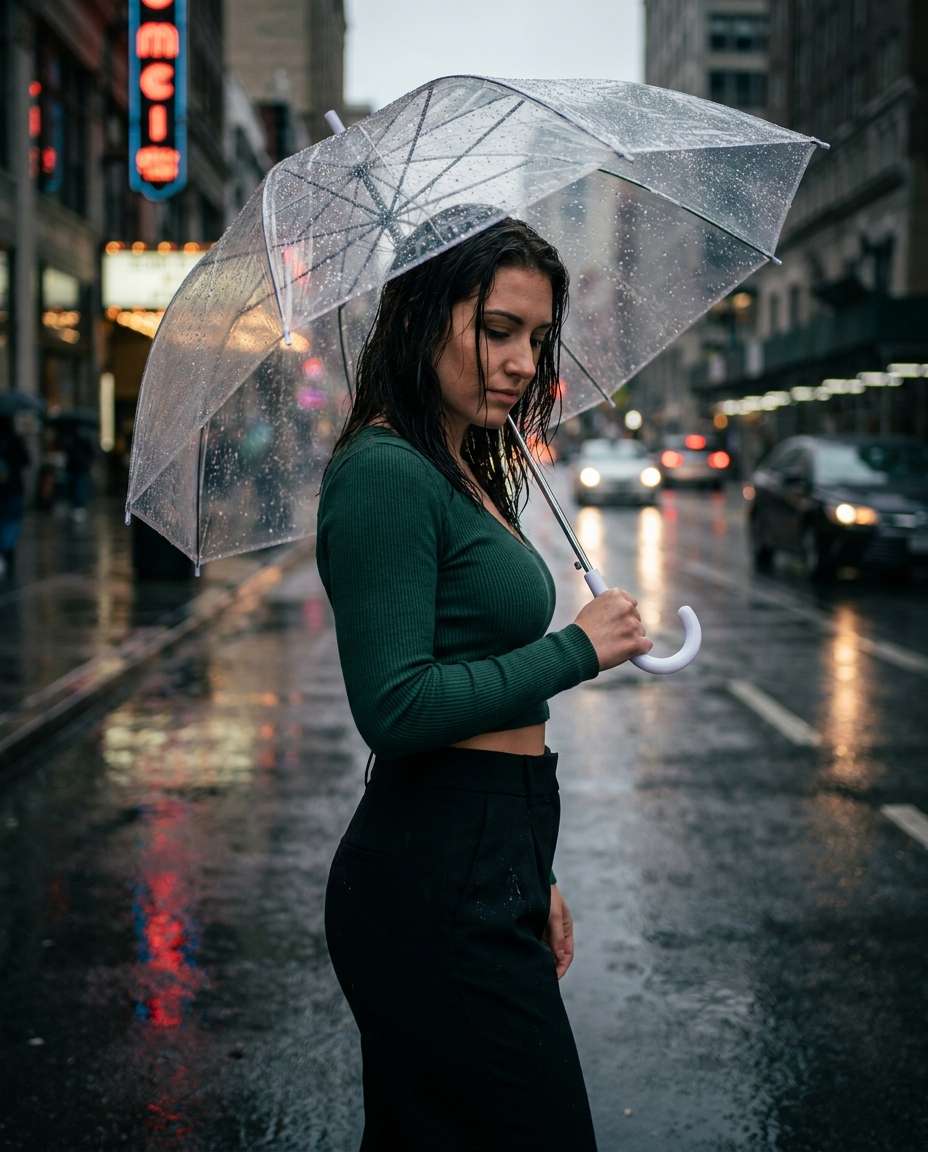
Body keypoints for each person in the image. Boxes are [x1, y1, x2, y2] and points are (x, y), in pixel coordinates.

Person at [316, 206, 652, 1150]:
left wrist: (531, 871)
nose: (523, 363)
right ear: (424, 317)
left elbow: (471, 667)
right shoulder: (385, 470)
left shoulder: (462, 463)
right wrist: (576, 649)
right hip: (431, 874)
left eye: (537, 339)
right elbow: (396, 706)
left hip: (488, 848)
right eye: (498, 330)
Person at [0, 416, 30, 579]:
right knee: (12, 519)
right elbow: (26, 461)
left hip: (6, 489)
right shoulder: (15, 441)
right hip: (13, 488)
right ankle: (7, 549)